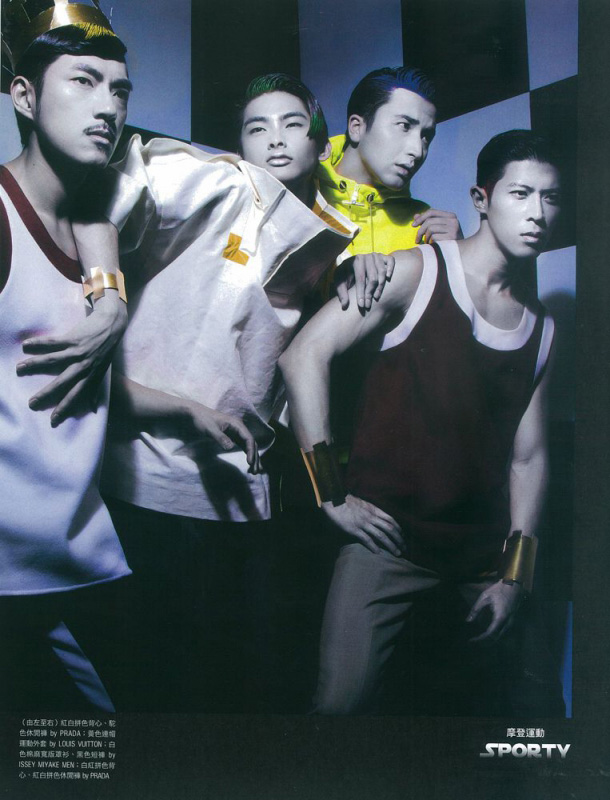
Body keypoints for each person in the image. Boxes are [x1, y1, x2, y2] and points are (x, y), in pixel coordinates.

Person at [70, 73, 378, 712]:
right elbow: (103, 193)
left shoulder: (332, 231)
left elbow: (301, 361)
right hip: (148, 468)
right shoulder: (215, 179)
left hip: (246, 485)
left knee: (226, 677)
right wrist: (104, 293)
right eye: (256, 127)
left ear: (319, 140)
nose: (275, 139)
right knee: (149, 678)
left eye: (292, 124)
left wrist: (368, 263)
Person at [280, 130, 561, 714]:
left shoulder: (543, 328)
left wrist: (515, 576)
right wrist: (330, 493)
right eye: (521, 194)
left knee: (532, 712)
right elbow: (303, 355)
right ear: (481, 199)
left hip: (481, 557)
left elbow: (529, 457)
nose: (537, 213)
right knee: (338, 709)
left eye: (550, 197)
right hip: (389, 543)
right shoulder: (415, 271)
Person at [0, 0, 132, 710]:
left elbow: (50, 375)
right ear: (23, 96)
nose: (108, 105)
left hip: (76, 556)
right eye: (83, 81)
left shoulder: (91, 221)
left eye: (119, 89)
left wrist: (112, 300)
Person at [317, 66, 462, 308]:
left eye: (426, 136)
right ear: (356, 127)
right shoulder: (303, 193)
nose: (418, 150)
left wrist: (460, 258)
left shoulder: (424, 225)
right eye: (404, 126)